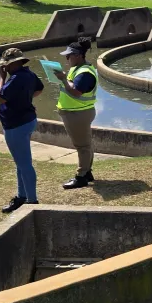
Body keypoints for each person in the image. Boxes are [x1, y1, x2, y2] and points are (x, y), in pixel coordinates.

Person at [0, 47, 44, 213]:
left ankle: (32, 201)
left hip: (17, 126)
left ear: (12, 64)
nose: (4, 68)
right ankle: (22, 196)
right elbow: (39, 89)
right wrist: (25, 100)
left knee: (24, 164)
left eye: (6, 65)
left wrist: (1, 79)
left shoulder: (14, 79)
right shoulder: (28, 74)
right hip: (27, 121)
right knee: (20, 162)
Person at [55, 39, 98, 190]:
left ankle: (81, 177)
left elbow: (77, 92)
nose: (67, 59)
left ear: (79, 55)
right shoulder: (77, 68)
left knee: (83, 146)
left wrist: (63, 80)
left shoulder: (85, 72)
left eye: (69, 56)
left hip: (78, 113)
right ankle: (87, 173)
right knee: (86, 144)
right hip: (76, 112)